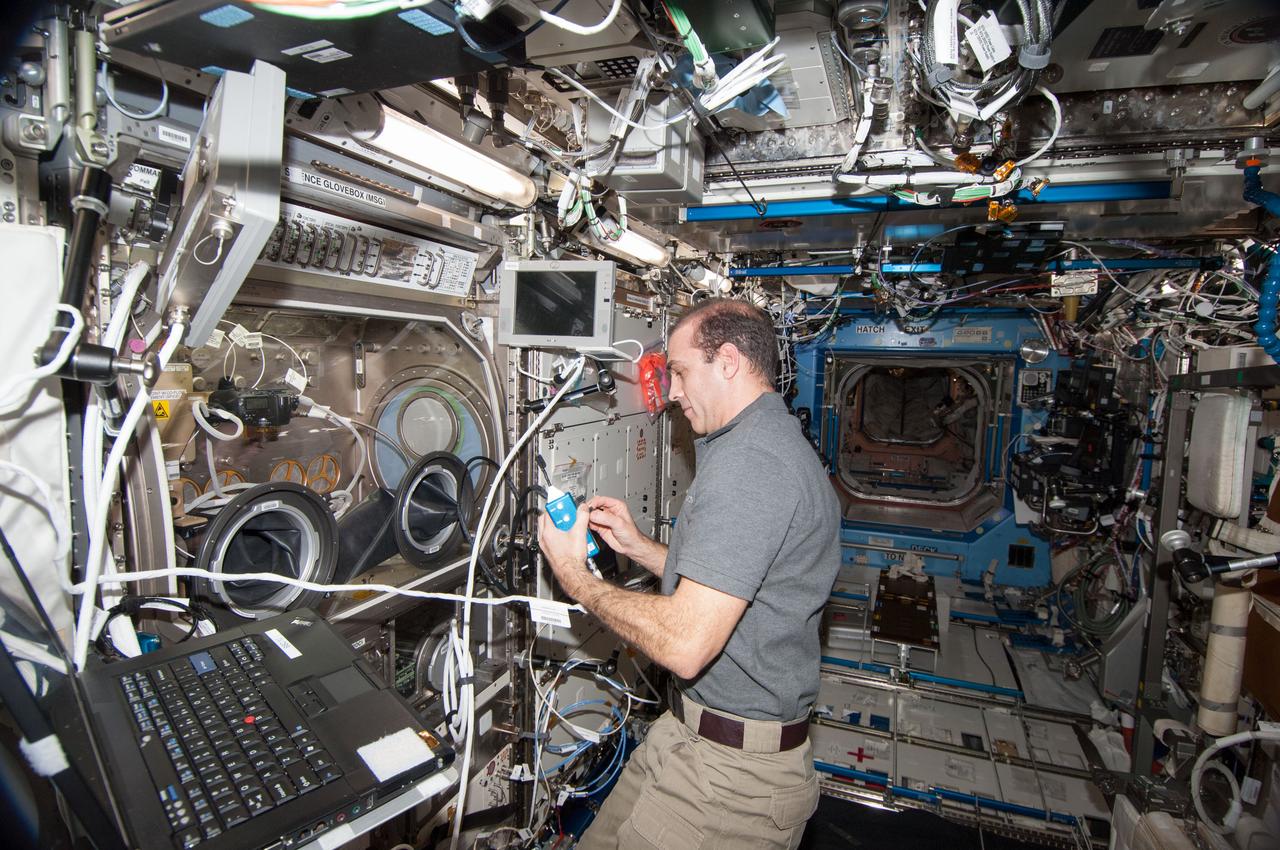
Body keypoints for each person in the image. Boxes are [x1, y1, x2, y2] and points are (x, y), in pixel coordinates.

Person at [537, 298, 842, 850]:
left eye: (678, 371)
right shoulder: (761, 443)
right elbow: (740, 579)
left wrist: (573, 575)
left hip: (726, 784)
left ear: (728, 361)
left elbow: (686, 644)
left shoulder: (753, 463)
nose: (672, 393)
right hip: (687, 737)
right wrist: (641, 548)